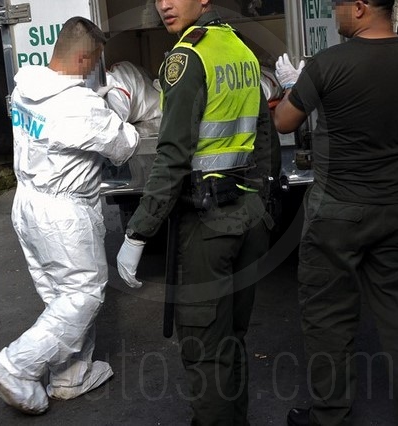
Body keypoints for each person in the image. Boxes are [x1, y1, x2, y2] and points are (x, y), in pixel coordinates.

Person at [273, 1, 398, 425]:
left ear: (359, 7)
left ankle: (330, 415)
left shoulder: (327, 64)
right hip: (396, 208)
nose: (335, 12)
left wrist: (294, 86)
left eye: (338, 4)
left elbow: (283, 121)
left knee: (328, 314)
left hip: (336, 213)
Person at [115, 0, 278, 423]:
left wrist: (138, 232)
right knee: (232, 338)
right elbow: (265, 138)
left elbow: (172, 157)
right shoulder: (240, 48)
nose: (164, 5)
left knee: (206, 347)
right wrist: (262, 201)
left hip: (208, 224)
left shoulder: (188, 57)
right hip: (247, 216)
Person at [0, 16, 139, 415]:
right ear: (85, 58)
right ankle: (17, 365)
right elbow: (124, 146)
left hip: (28, 201)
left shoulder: (26, 87)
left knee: (59, 296)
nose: (93, 71)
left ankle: (71, 375)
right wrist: (116, 102)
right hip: (63, 211)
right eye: (95, 61)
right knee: (83, 295)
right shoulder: (80, 105)